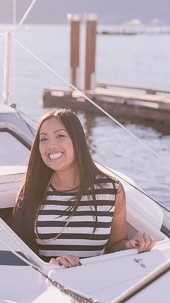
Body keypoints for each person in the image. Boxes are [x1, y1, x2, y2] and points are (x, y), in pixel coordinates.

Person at [13, 108, 154, 267]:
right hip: (50, 283)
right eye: (43, 139)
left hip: (98, 283)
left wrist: (131, 245)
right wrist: (50, 263)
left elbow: (115, 245)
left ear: (77, 140)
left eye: (60, 136)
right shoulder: (31, 190)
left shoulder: (111, 190)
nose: (51, 145)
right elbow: (21, 254)